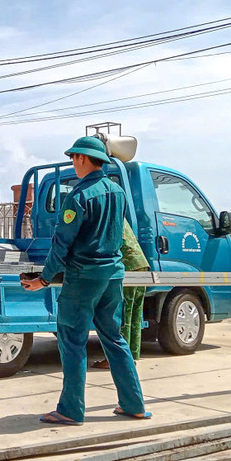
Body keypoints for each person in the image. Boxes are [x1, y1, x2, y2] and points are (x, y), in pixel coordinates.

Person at [21, 136, 149, 425]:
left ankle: (70, 409)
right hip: (113, 275)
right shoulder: (117, 192)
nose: (72, 163)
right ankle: (134, 404)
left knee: (73, 341)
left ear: (82, 159)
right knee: (115, 339)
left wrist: (43, 278)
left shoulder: (77, 197)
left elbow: (62, 243)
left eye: (73, 158)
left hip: (83, 277)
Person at [92, 219, 150, 369]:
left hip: (128, 265)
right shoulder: (117, 213)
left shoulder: (106, 216)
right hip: (141, 263)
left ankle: (116, 359)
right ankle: (132, 357)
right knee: (135, 313)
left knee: (122, 313)